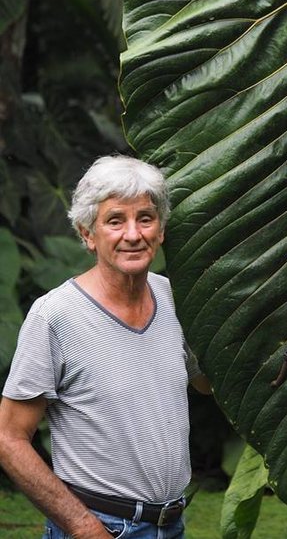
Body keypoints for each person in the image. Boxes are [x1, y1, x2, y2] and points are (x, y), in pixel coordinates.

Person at [0, 155, 210, 539]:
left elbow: (207, 383)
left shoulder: (174, 297)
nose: (133, 234)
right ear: (87, 234)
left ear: (161, 230)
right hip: (101, 527)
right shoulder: (55, 316)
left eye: (145, 218)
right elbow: (9, 438)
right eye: (115, 221)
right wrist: (83, 527)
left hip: (171, 525)